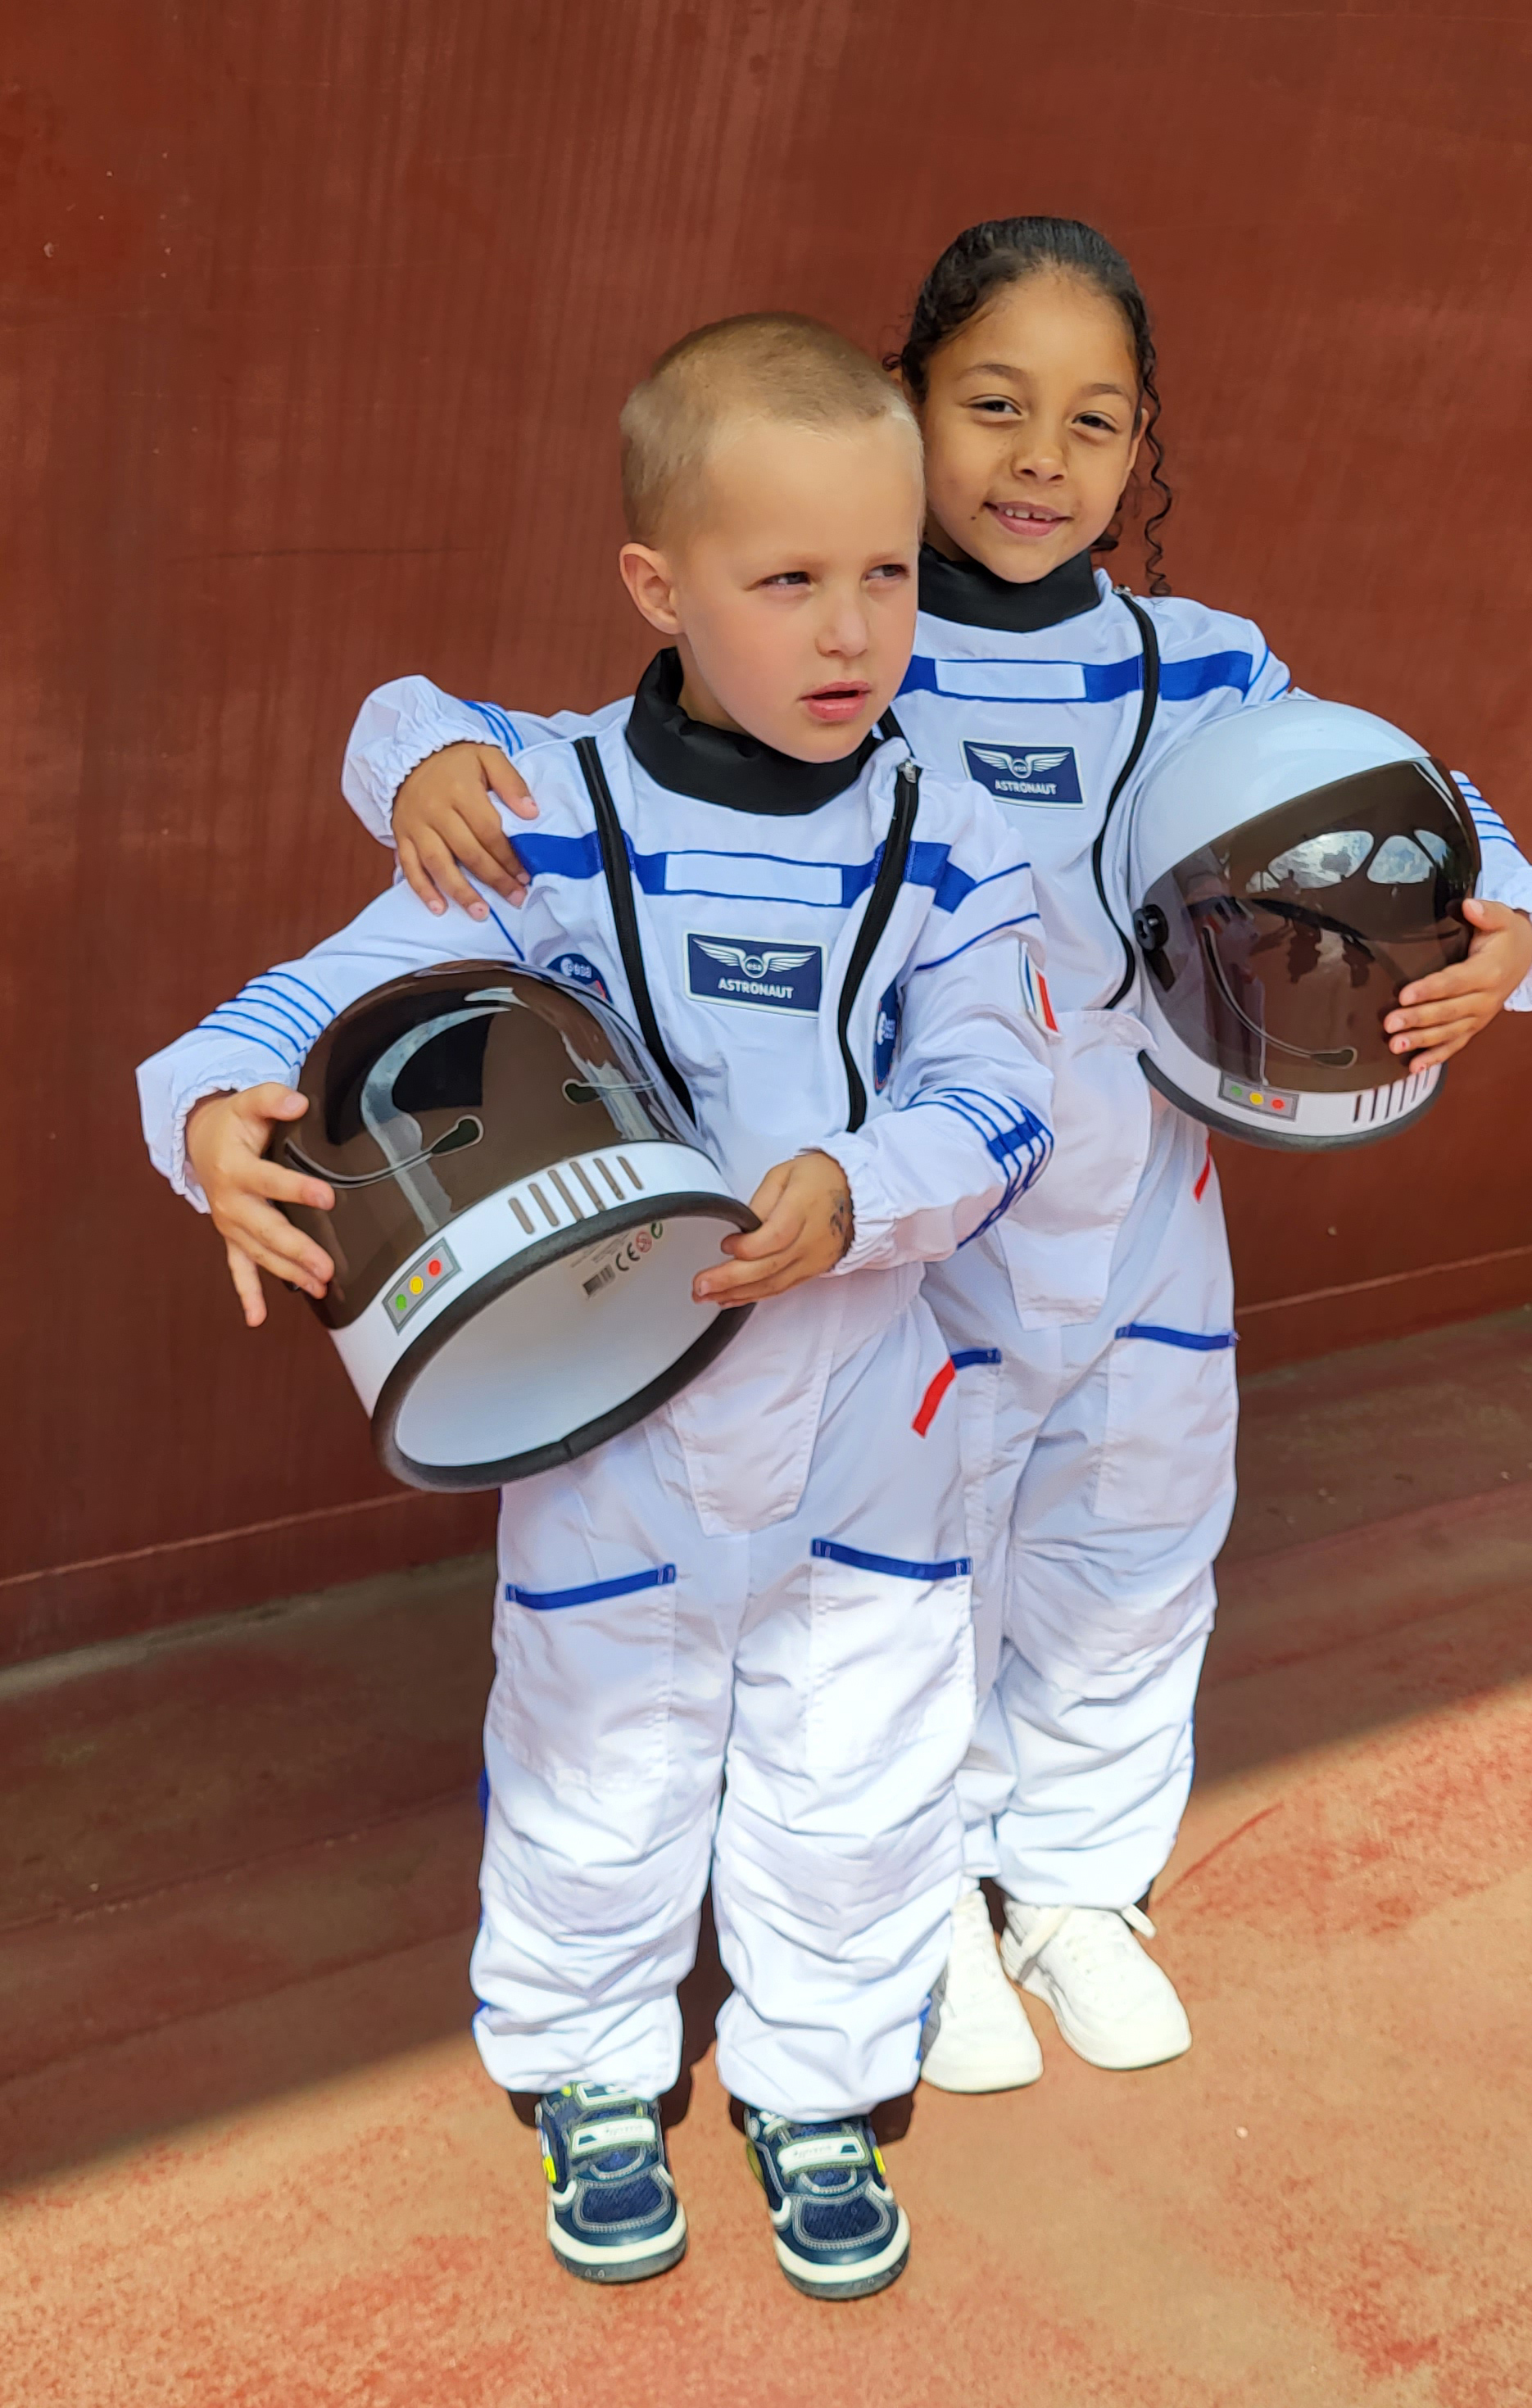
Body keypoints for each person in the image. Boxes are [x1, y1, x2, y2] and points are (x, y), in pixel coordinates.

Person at [326, 220, 1532, 2095]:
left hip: (1148, 1198)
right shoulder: (838, 636)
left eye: (1095, 422)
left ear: (1142, 445)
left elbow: (1425, 803)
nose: (1038, 459)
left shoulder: (1206, 660)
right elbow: (534, 749)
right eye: (991, 405)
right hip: (914, 1211)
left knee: (1134, 1540)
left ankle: (1074, 1884)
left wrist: (1525, 924)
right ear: (907, 407)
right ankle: (912, 1912)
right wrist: (409, 747)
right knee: (922, 1589)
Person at [136, 314, 1057, 2298]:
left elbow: (1000, 1092)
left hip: (867, 1396)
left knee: (861, 1771)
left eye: (888, 573)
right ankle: (586, 2068)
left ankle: (817, 2083)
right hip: (610, 1406)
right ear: (658, 584)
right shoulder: (532, 805)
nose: (851, 632)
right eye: (786, 578)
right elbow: (319, 999)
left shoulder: (956, 844)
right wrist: (209, 1108)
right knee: (594, 1755)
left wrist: (866, 1186)